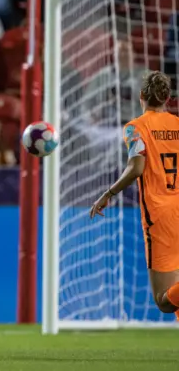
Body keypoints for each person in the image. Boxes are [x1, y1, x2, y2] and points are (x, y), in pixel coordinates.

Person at [90, 71, 179, 321]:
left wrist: (108, 193)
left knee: (164, 300)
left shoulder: (135, 128)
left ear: (141, 96)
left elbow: (136, 167)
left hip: (160, 215)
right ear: (167, 98)